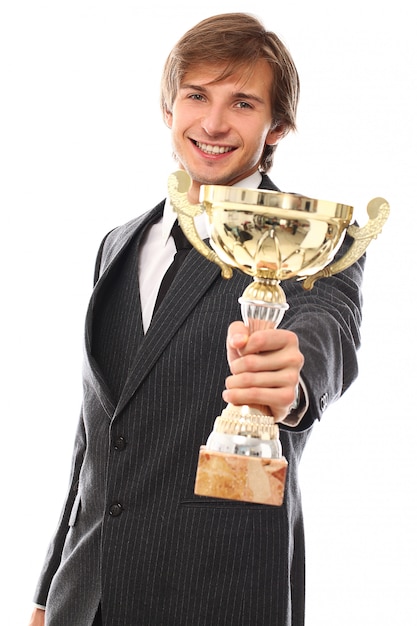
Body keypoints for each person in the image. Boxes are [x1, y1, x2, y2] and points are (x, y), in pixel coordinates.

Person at [29, 12, 364, 626]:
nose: (212, 123)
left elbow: (328, 330)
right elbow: (94, 436)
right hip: (88, 593)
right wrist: (48, 589)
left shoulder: (314, 242)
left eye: (241, 102)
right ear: (168, 108)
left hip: (219, 593)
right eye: (196, 96)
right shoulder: (117, 244)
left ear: (278, 125)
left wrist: (292, 382)